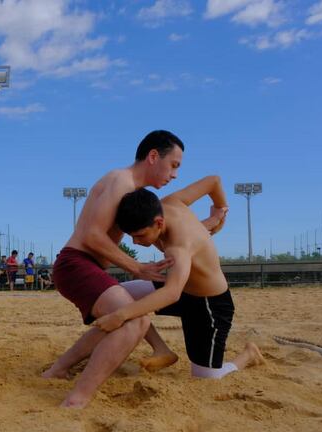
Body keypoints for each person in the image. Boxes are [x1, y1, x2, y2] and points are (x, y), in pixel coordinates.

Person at [43, 130, 184, 408]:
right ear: (153, 156)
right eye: (174, 165)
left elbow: (159, 230)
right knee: (133, 320)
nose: (175, 174)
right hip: (75, 264)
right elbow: (92, 236)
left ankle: (58, 369)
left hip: (86, 266)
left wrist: (209, 225)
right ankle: (77, 398)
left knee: (124, 314)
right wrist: (136, 268)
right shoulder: (121, 181)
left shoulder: (135, 192)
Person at [92, 177, 264, 383]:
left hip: (209, 306)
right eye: (131, 236)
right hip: (182, 289)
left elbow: (171, 293)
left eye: (139, 235)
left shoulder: (178, 247)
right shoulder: (170, 202)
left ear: (158, 223)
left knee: (206, 377)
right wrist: (219, 210)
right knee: (116, 295)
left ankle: (248, 356)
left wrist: (120, 316)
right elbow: (213, 181)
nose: (135, 242)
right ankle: (162, 350)